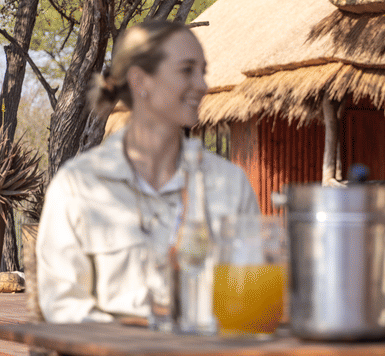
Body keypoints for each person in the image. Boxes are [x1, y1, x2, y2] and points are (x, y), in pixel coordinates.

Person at [36, 21, 260, 323]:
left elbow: (250, 294)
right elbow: (63, 305)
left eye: (203, 71)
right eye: (186, 70)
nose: (202, 85)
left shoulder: (231, 184)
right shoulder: (77, 185)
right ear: (141, 81)